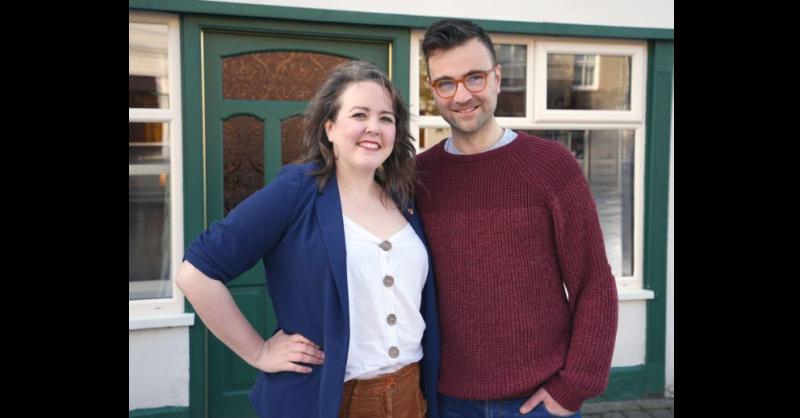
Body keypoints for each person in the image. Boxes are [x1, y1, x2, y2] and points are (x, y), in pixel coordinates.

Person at [176, 60, 440, 418]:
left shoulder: (403, 200)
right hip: (330, 401)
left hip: (411, 396)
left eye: (386, 118)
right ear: (330, 127)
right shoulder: (298, 189)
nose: (373, 128)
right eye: (359, 115)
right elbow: (196, 274)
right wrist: (258, 352)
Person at [415, 19, 619, 417]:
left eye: (474, 78)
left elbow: (593, 280)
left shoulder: (551, 166)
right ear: (433, 91)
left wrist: (574, 385)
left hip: (540, 400)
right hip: (448, 401)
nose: (462, 95)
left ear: (497, 78)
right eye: (446, 83)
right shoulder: (418, 177)